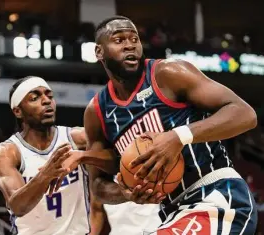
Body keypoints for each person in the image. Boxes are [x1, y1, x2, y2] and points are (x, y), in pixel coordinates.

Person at [82, 16, 258, 234]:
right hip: (172, 211)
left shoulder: (168, 74)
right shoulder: (97, 111)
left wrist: (178, 136)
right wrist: (125, 193)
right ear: (99, 52)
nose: (130, 45)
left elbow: (245, 114)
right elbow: (98, 186)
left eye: (134, 38)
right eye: (119, 40)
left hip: (218, 196)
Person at [0, 76, 111, 235]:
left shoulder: (76, 139)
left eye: (49, 95)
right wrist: (45, 175)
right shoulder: (6, 153)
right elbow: (18, 206)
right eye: (35, 97)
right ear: (18, 111)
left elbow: (115, 158)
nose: (46, 101)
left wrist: (84, 156)